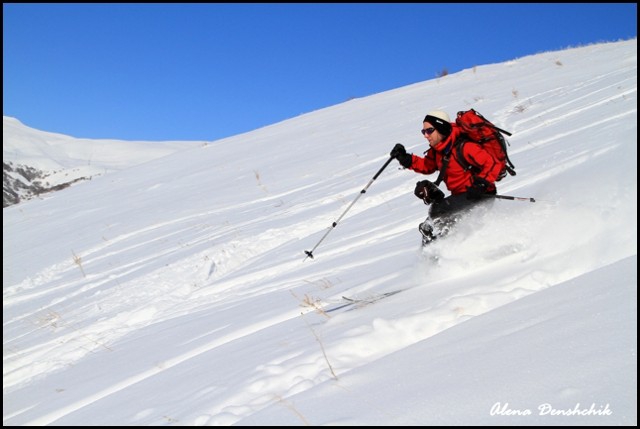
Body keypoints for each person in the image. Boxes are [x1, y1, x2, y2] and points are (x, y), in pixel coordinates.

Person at [390, 110, 503, 245]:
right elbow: (427, 166)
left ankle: (448, 247)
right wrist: (405, 158)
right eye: (423, 132)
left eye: (429, 131)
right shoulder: (438, 150)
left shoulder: (465, 147)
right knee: (427, 226)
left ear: (441, 128)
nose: (426, 135)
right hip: (462, 197)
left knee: (438, 212)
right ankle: (434, 254)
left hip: (480, 194)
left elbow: (492, 163)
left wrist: (481, 184)